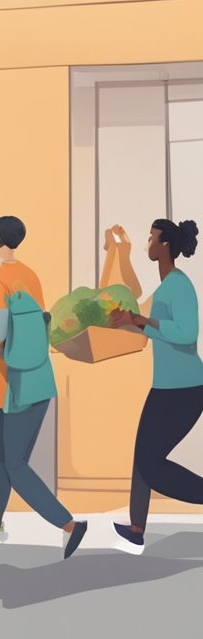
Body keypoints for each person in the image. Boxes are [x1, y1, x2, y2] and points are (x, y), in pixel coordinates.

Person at [0, 216, 87, 556]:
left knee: (14, 465)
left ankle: (69, 524)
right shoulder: (30, 276)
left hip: (11, 388)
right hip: (37, 381)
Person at [109, 218, 203, 555]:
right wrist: (131, 322)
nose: (148, 242)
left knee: (151, 463)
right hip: (166, 387)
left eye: (151, 237)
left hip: (185, 390)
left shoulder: (179, 285)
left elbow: (187, 334)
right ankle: (136, 528)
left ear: (163, 245)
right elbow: (153, 328)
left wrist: (143, 321)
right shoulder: (165, 287)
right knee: (142, 456)